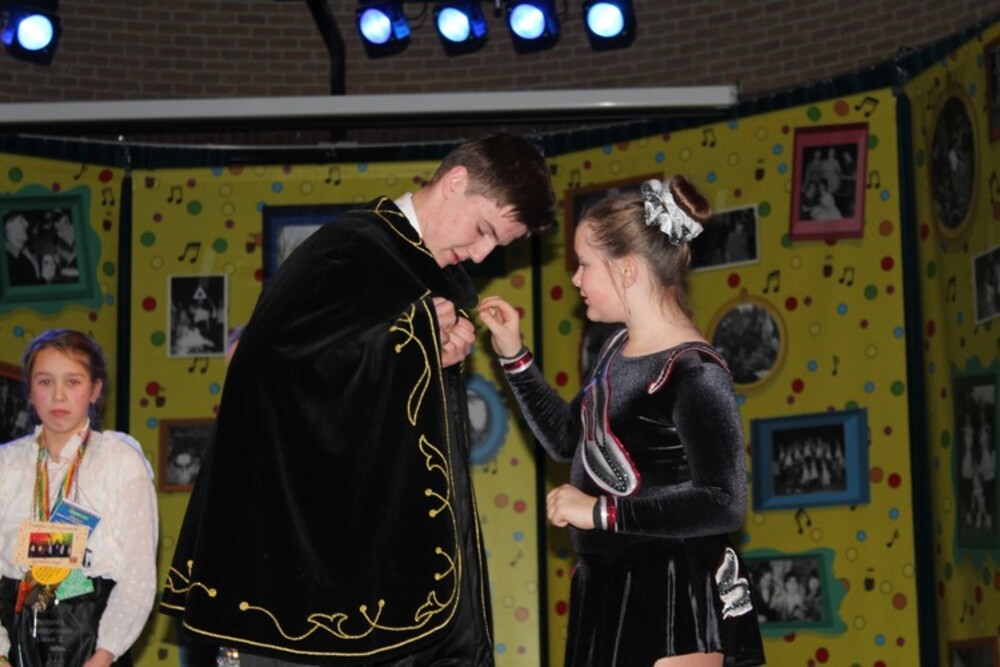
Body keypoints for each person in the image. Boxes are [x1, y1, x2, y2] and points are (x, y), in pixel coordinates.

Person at [160, 132, 556, 666]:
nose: (483, 253)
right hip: (299, 562)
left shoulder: (426, 272)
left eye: (498, 246)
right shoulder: (346, 250)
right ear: (455, 182)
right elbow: (274, 369)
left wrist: (430, 353)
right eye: (484, 230)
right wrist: (410, 338)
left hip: (382, 558)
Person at [479, 176, 765, 666]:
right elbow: (569, 440)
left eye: (584, 264)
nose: (576, 280)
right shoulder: (615, 349)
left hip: (673, 587)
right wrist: (514, 357)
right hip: (607, 582)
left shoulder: (694, 370)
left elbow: (723, 502)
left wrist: (600, 513)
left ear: (627, 269)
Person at [0, 329, 158, 667]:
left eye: (72, 382)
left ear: (95, 390)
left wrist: (104, 654)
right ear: (30, 391)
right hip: (15, 642)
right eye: (45, 382)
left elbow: (138, 575)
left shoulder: (120, 462)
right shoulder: (6, 465)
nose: (58, 395)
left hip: (94, 643)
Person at [3, 212, 40, 286]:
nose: (27, 224)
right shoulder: (7, 262)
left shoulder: (23, 252)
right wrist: (45, 278)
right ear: (8, 226)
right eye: (21, 221)